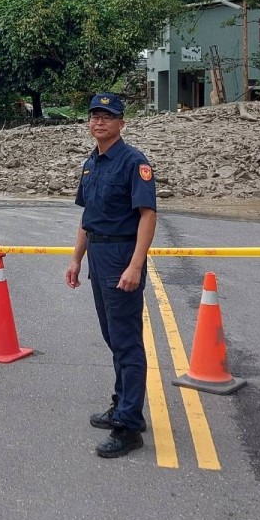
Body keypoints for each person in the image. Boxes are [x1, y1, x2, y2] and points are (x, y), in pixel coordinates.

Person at [65, 93, 157, 458]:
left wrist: (135, 265)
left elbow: (147, 216)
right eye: (94, 116)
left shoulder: (134, 162)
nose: (99, 122)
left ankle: (129, 426)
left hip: (121, 255)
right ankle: (123, 405)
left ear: (122, 123)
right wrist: (75, 260)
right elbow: (87, 218)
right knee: (113, 337)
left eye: (108, 116)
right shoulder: (91, 164)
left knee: (127, 341)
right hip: (98, 255)